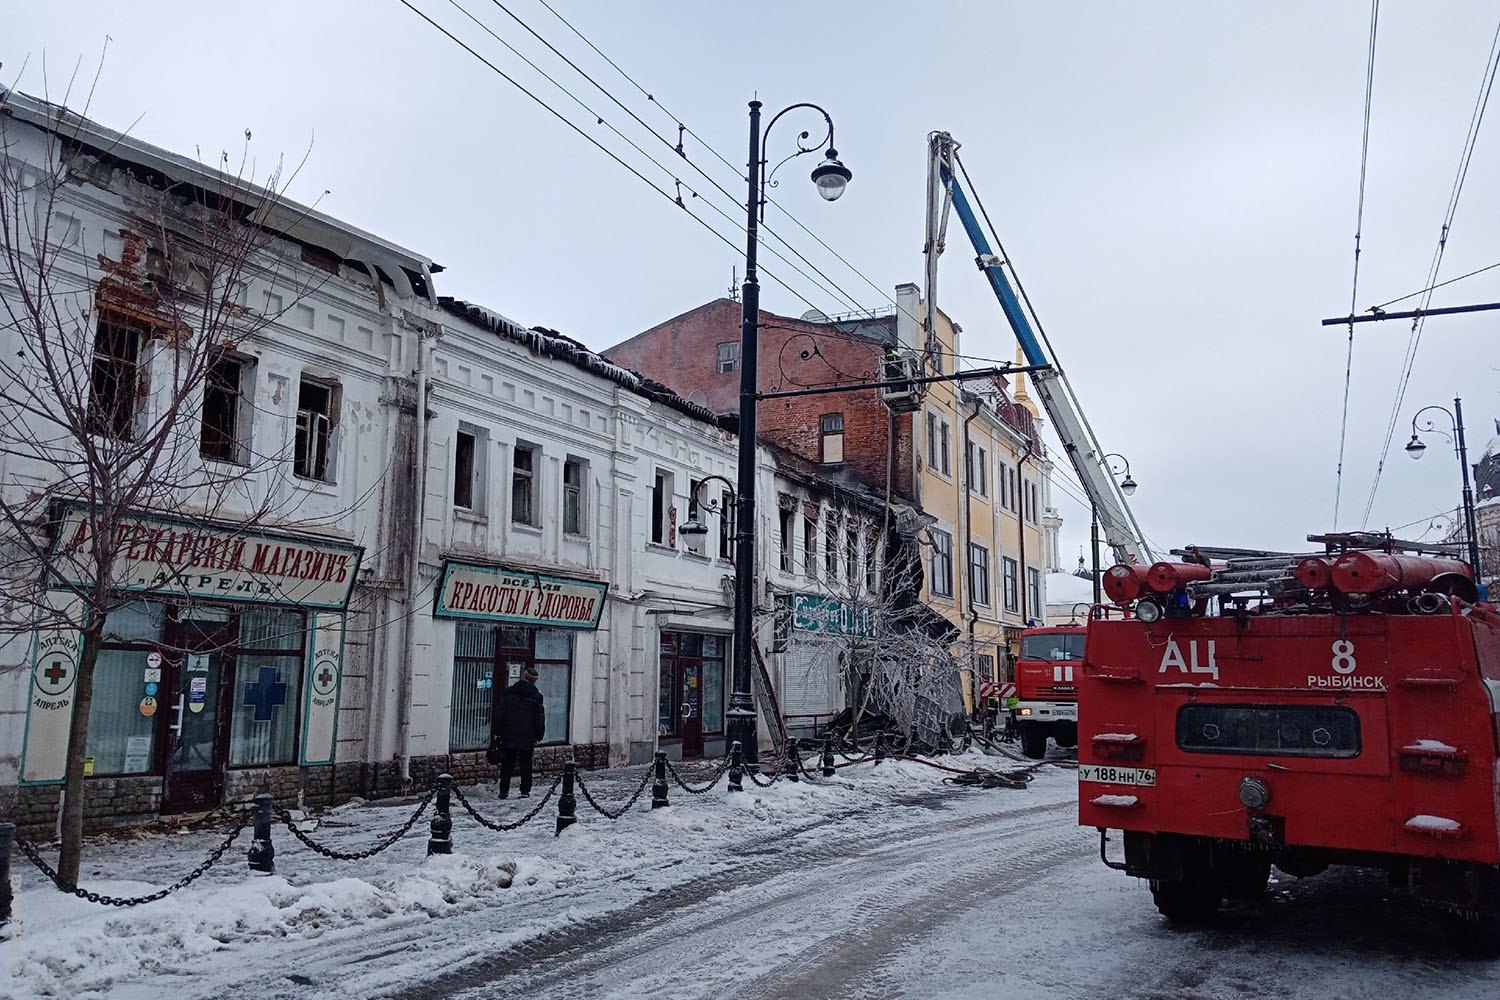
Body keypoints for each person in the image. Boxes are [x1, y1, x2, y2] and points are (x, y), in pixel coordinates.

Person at [494, 666, 545, 798]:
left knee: (507, 764)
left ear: (524, 677)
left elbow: (500, 713)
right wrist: (539, 735)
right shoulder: (537, 696)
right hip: (528, 735)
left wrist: (497, 731)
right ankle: (525, 790)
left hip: (509, 733)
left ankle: (504, 790)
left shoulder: (509, 692)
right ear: (534, 681)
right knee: (526, 763)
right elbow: (539, 718)